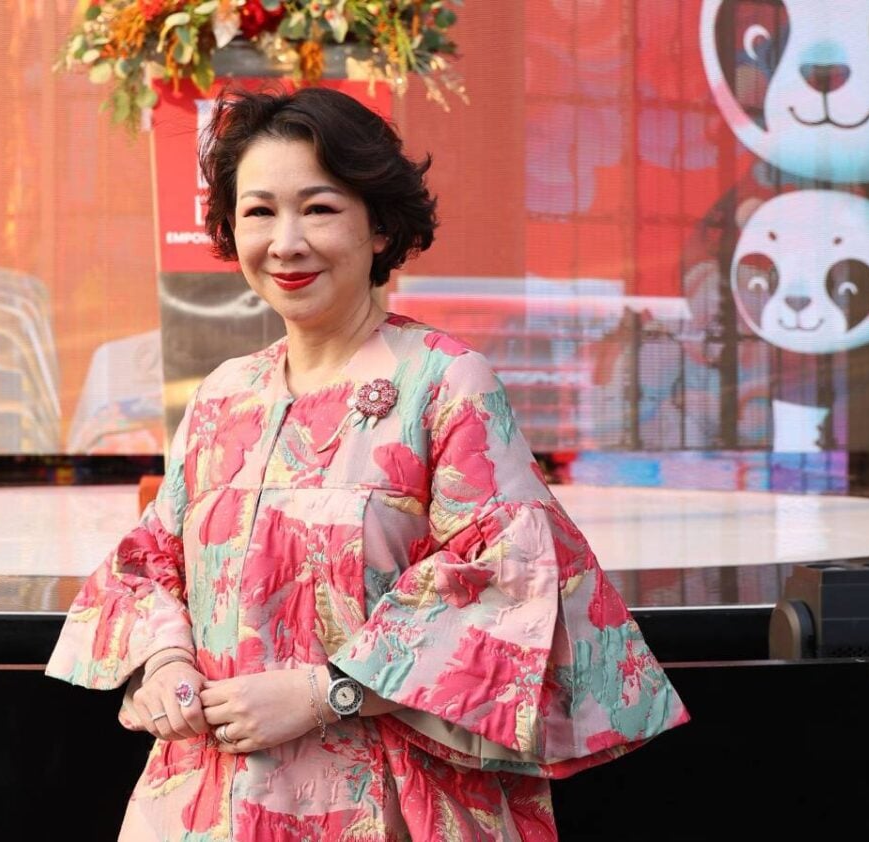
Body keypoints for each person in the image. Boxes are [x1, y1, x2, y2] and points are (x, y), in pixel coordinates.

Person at [46, 84, 689, 840]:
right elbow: (150, 560)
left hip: (386, 801)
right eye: (259, 212)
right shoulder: (223, 396)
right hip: (208, 804)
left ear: (379, 226)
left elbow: (510, 583)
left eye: (319, 208)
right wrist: (163, 665)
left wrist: (325, 692)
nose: (286, 243)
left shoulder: (443, 382)